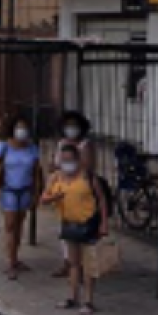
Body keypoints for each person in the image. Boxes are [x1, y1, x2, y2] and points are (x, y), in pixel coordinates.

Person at [41, 140, 108, 314]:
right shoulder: (56, 177)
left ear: (78, 160)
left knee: (89, 264)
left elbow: (101, 200)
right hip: (69, 224)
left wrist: (104, 223)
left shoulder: (88, 177)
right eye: (64, 160)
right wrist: (55, 197)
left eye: (70, 160)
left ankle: (89, 301)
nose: (67, 164)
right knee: (73, 263)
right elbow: (44, 199)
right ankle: (73, 297)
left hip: (88, 224)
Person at [0, 117, 42, 280]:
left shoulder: (32, 148)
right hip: (9, 190)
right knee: (10, 225)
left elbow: (37, 172)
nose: (22, 131)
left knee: (19, 225)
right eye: (19, 127)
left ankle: (15, 256)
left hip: (25, 190)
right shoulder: (4, 146)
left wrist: (37, 193)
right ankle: (11, 261)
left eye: (24, 128)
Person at [50, 110, 97, 279]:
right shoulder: (61, 143)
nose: (71, 129)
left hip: (79, 192)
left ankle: (81, 265)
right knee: (65, 229)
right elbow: (54, 164)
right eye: (68, 125)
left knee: (81, 228)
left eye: (74, 126)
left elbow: (87, 168)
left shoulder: (85, 145)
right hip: (62, 191)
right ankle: (68, 262)